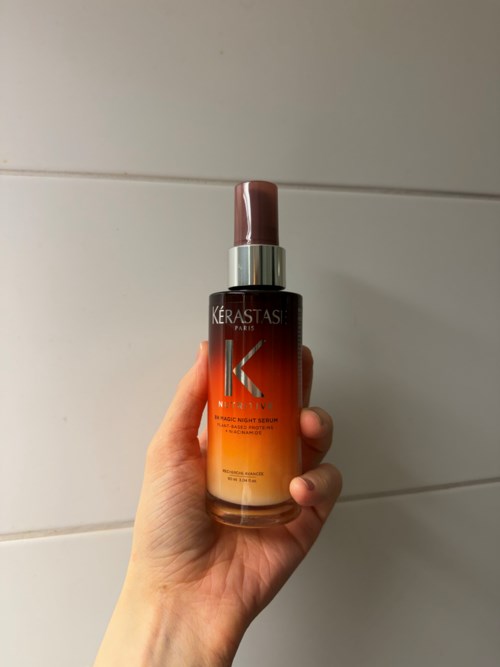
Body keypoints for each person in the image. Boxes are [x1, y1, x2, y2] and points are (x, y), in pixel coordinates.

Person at [94, 342, 342, 666]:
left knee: (304, 428)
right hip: (218, 506)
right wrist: (171, 592)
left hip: (276, 501)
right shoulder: (224, 320)